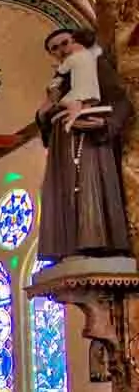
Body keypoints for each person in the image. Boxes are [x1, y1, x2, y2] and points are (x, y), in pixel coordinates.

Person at [35, 28, 132, 262]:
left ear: (76, 42)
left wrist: (105, 123)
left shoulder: (95, 66)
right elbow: (47, 122)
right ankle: (68, 246)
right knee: (65, 190)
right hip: (62, 143)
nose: (61, 51)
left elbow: (121, 101)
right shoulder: (58, 82)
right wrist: (42, 114)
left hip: (89, 139)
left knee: (90, 185)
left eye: (64, 43)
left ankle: (98, 244)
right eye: (54, 49)